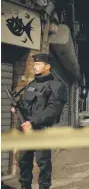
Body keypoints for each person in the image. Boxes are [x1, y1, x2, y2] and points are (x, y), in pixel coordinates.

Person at [10, 53, 67, 189]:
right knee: (24, 162)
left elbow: (53, 110)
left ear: (47, 66)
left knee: (43, 163)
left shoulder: (57, 86)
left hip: (41, 130)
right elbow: (26, 105)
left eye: (39, 64)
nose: (35, 66)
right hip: (25, 131)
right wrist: (16, 108)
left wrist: (33, 122)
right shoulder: (30, 85)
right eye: (34, 64)